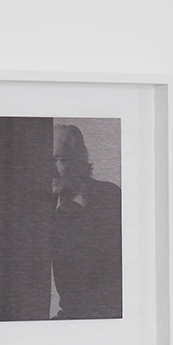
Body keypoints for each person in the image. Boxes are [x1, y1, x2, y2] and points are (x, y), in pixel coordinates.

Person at [50, 124, 122, 319]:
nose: (51, 170)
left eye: (60, 160)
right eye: (44, 161)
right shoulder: (42, 210)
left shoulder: (110, 198)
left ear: (79, 159)